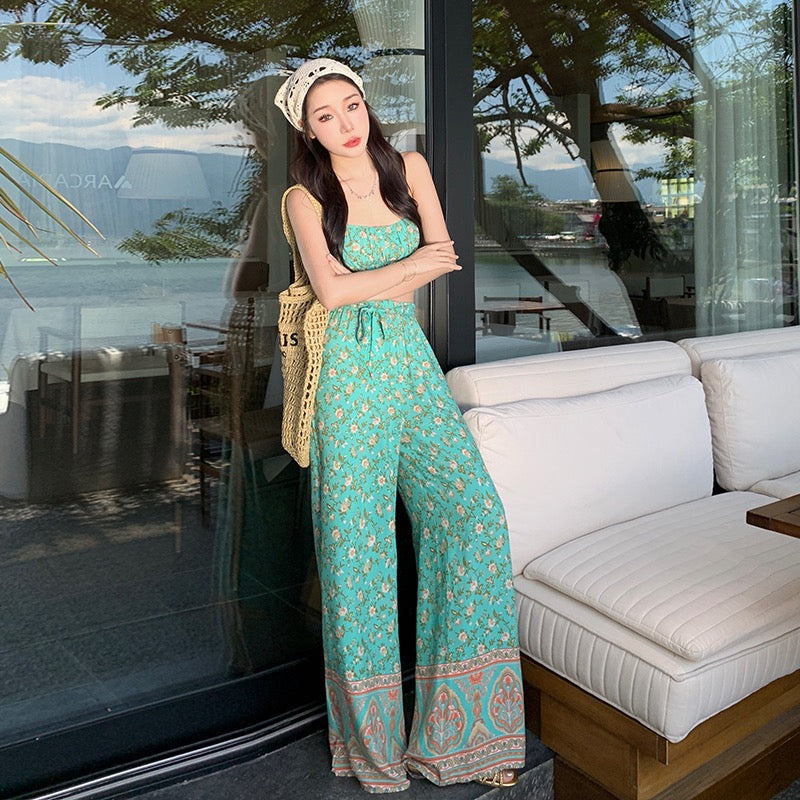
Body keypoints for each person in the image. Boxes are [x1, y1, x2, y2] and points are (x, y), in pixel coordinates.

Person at [274, 58, 525, 794]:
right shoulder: (303, 197)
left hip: (410, 364)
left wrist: (372, 280)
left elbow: (445, 257)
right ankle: (374, 753)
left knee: (471, 515)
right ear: (308, 131)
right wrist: (403, 270)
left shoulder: (408, 168)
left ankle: (463, 736)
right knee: (358, 556)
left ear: (366, 105)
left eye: (351, 105)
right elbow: (329, 292)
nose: (346, 124)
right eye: (326, 116)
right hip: (346, 379)